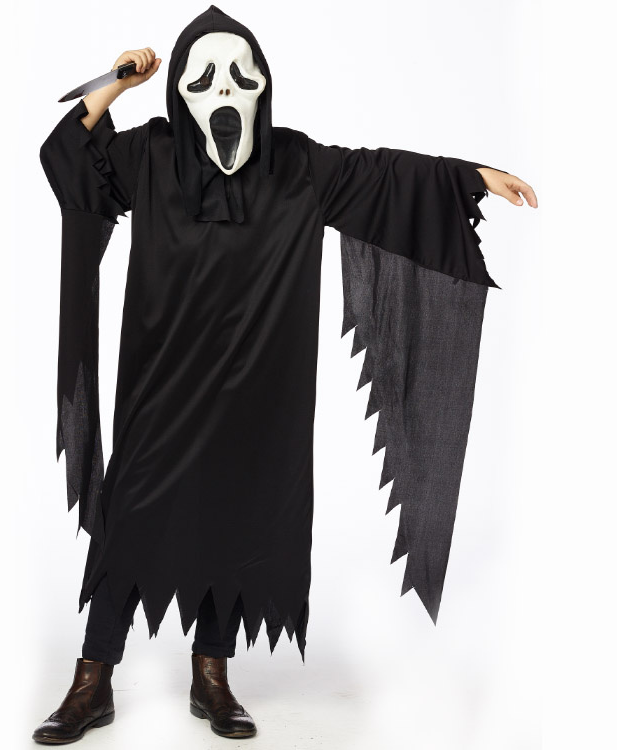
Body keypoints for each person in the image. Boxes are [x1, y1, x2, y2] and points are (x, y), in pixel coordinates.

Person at [32, 5, 537, 744]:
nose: (224, 90)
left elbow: (381, 174)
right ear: (180, 92)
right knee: (128, 518)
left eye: (242, 76)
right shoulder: (151, 154)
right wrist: (116, 81)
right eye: (205, 77)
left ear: (264, 86)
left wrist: (467, 178)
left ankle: (211, 676)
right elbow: (67, 158)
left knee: (234, 514)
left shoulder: (295, 164)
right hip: (161, 381)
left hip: (255, 386)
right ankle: (92, 681)